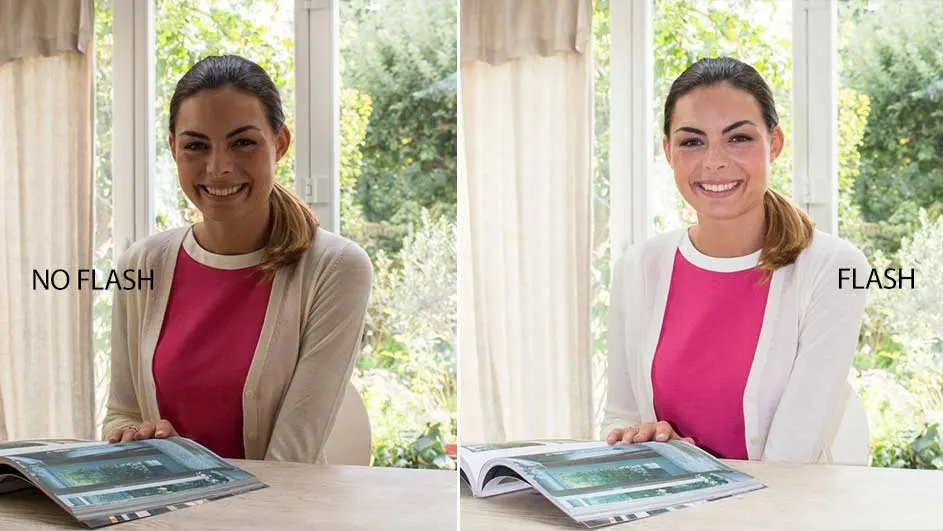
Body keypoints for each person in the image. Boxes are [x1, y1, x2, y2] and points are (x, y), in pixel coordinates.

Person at [102, 55, 373, 464]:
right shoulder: (139, 266)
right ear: (174, 148)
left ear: (279, 143)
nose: (219, 168)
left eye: (242, 142)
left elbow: (290, 461)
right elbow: (122, 413)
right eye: (196, 145)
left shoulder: (335, 268)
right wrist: (131, 437)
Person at [601, 56, 870, 464]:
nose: (714, 161)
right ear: (669, 152)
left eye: (738, 138)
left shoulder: (835, 268)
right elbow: (619, 418)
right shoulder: (637, 268)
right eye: (692, 141)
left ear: (773, 144)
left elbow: (791, 455)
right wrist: (641, 441)